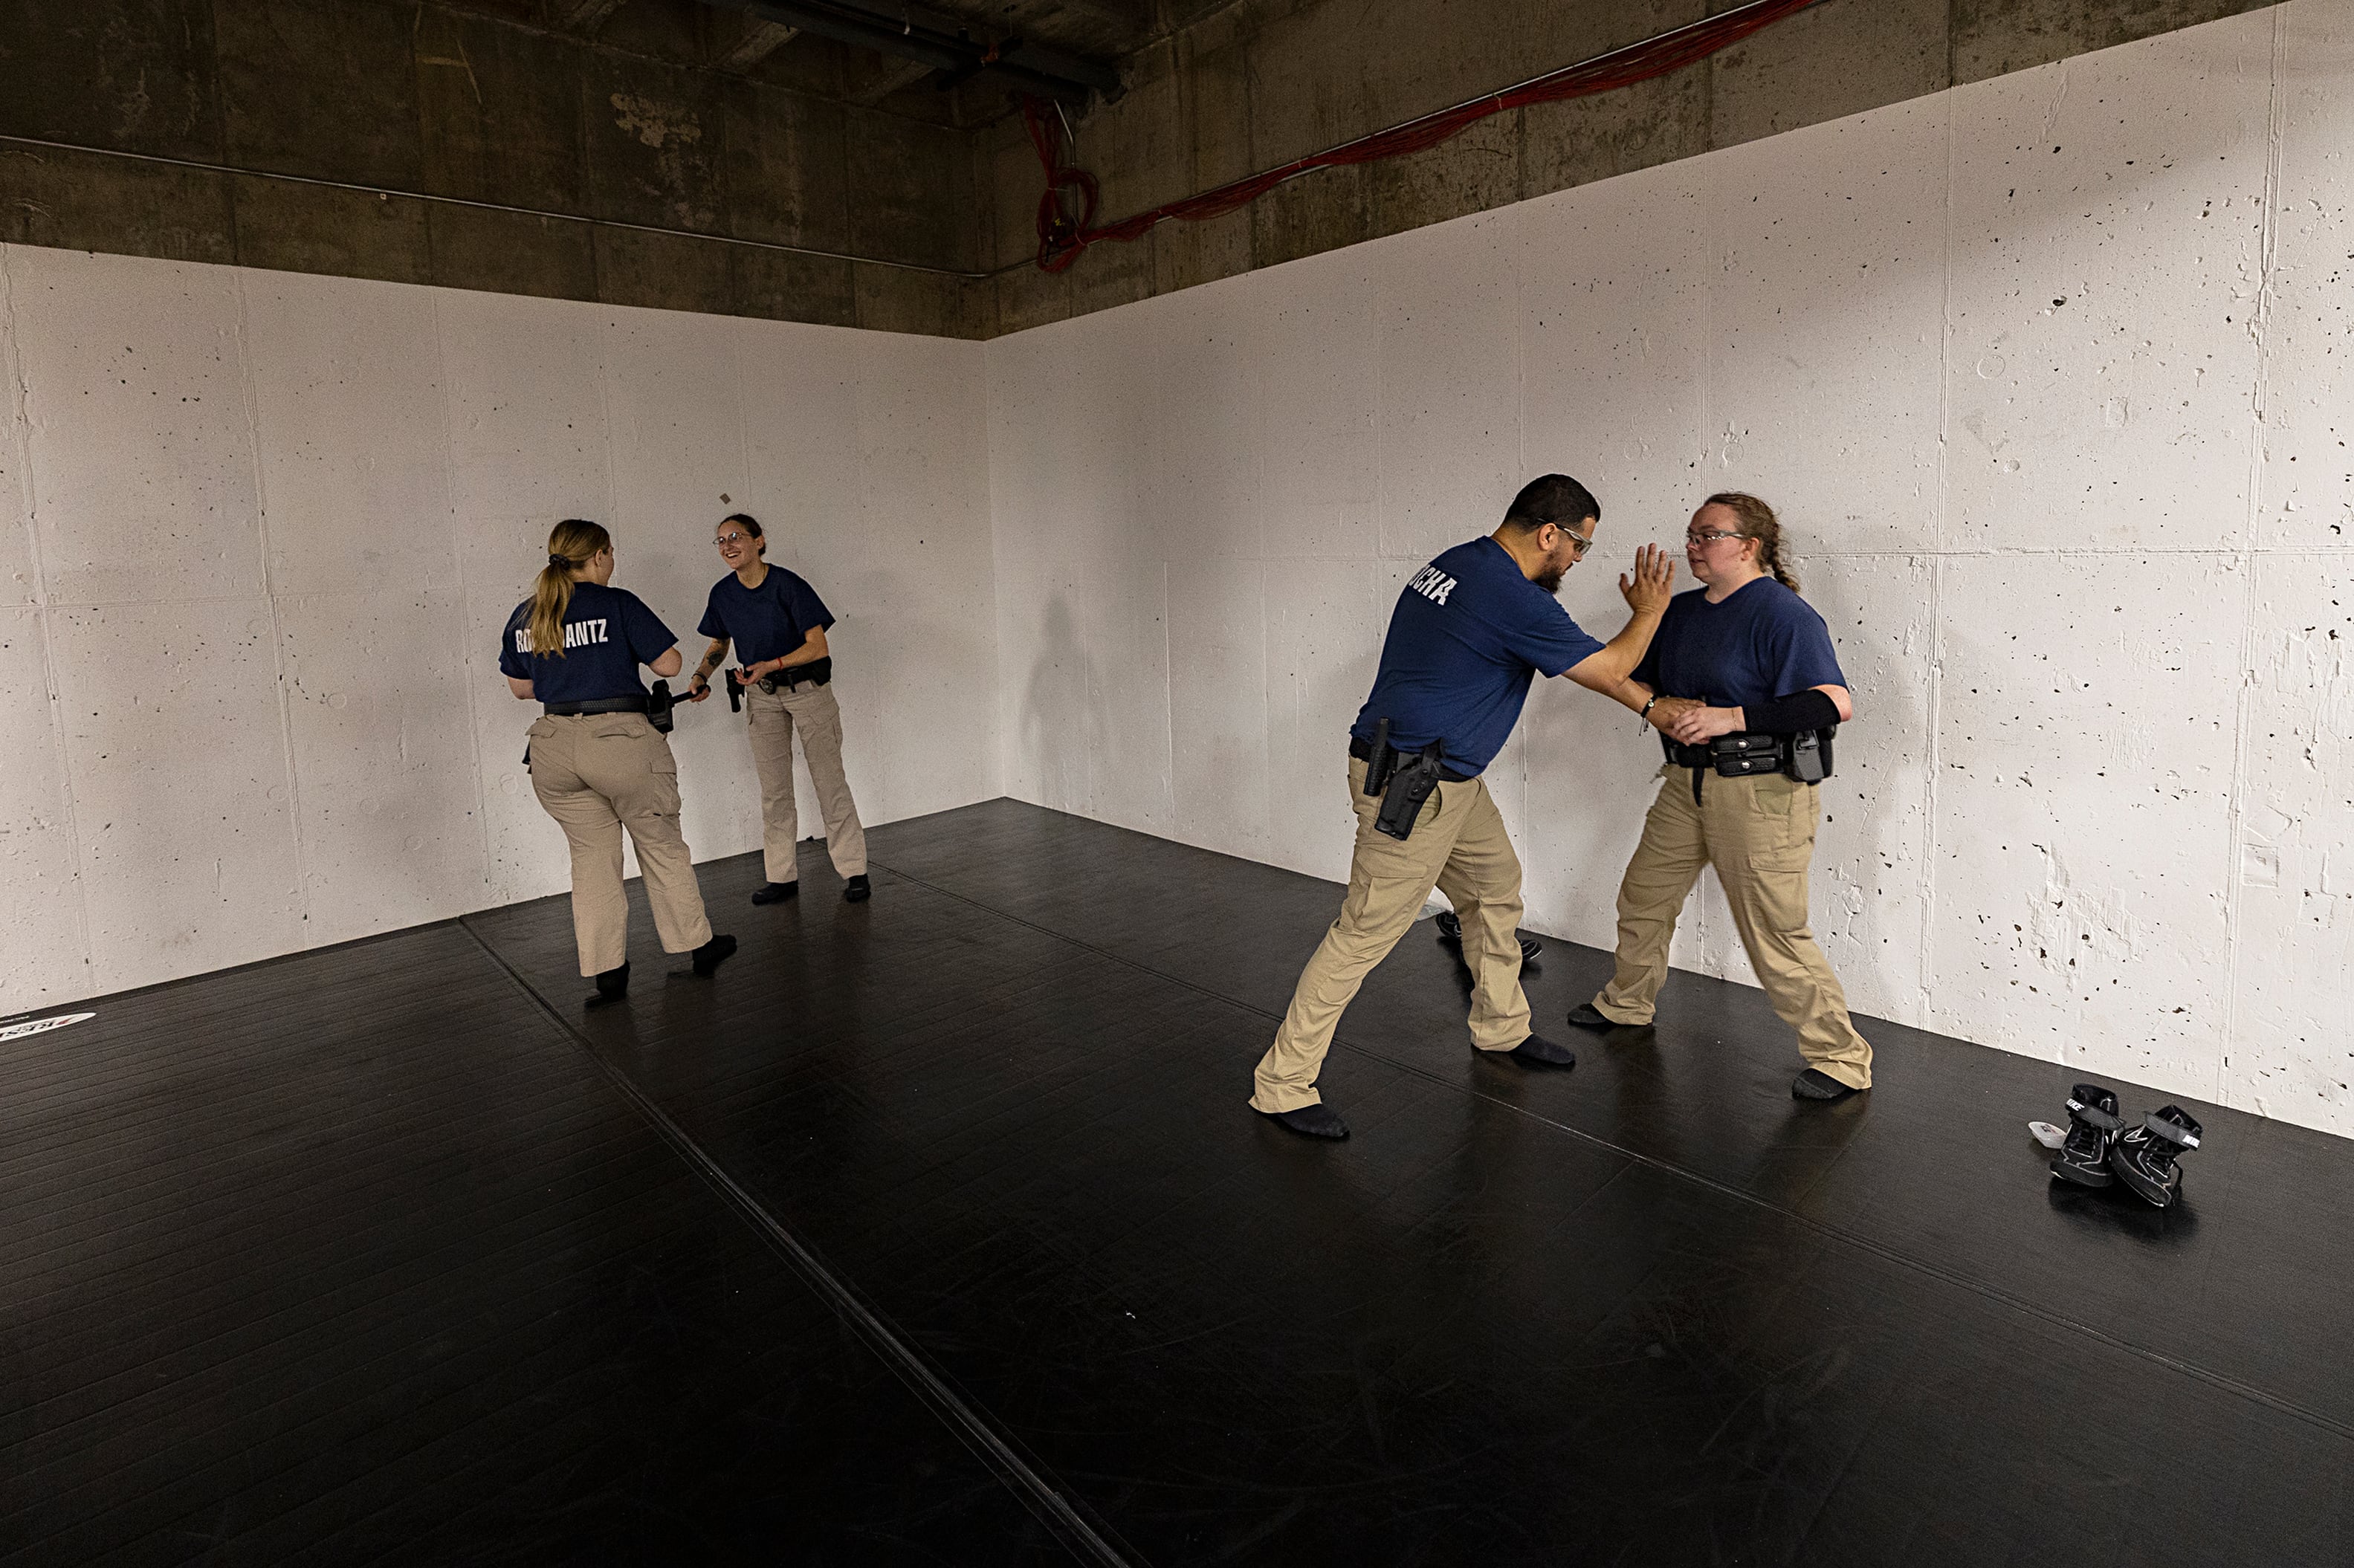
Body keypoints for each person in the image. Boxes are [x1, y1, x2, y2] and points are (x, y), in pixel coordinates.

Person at [1248, 475, 1679, 1140]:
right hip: (1414, 787)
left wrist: (1652, 708)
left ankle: (1501, 1027)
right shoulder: (1512, 598)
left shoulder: (1456, 563)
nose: (1575, 562)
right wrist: (1649, 611)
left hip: (1443, 779)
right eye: (1579, 548)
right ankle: (1282, 1084)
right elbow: (1610, 670)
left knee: (1494, 891)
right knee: (1363, 932)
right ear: (1549, 535)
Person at [1565, 492, 1871, 1101]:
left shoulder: (1783, 614)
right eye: (1691, 535)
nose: (1693, 547)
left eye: (1708, 536)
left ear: (1748, 546)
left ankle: (1841, 1059)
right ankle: (1626, 1003)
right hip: (1685, 785)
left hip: (1760, 793)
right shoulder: (1678, 613)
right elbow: (1630, 675)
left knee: (1773, 932)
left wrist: (1730, 718)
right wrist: (1645, 625)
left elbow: (1834, 702)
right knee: (1643, 898)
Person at [500, 519, 737, 1006]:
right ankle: (696, 944)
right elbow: (669, 665)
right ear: (600, 554)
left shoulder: (527, 613)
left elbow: (522, 688)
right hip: (619, 742)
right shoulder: (617, 604)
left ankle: (606, 970)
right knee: (660, 843)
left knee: (590, 858)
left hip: (552, 748)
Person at [685, 514, 870, 904]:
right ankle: (781, 877)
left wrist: (772, 664)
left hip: (807, 690)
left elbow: (818, 647)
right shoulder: (722, 595)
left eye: (736, 537)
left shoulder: (788, 585)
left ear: (759, 541)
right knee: (774, 791)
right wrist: (702, 675)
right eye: (720, 540)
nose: (728, 545)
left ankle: (854, 870)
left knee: (829, 782)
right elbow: (719, 643)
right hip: (763, 697)